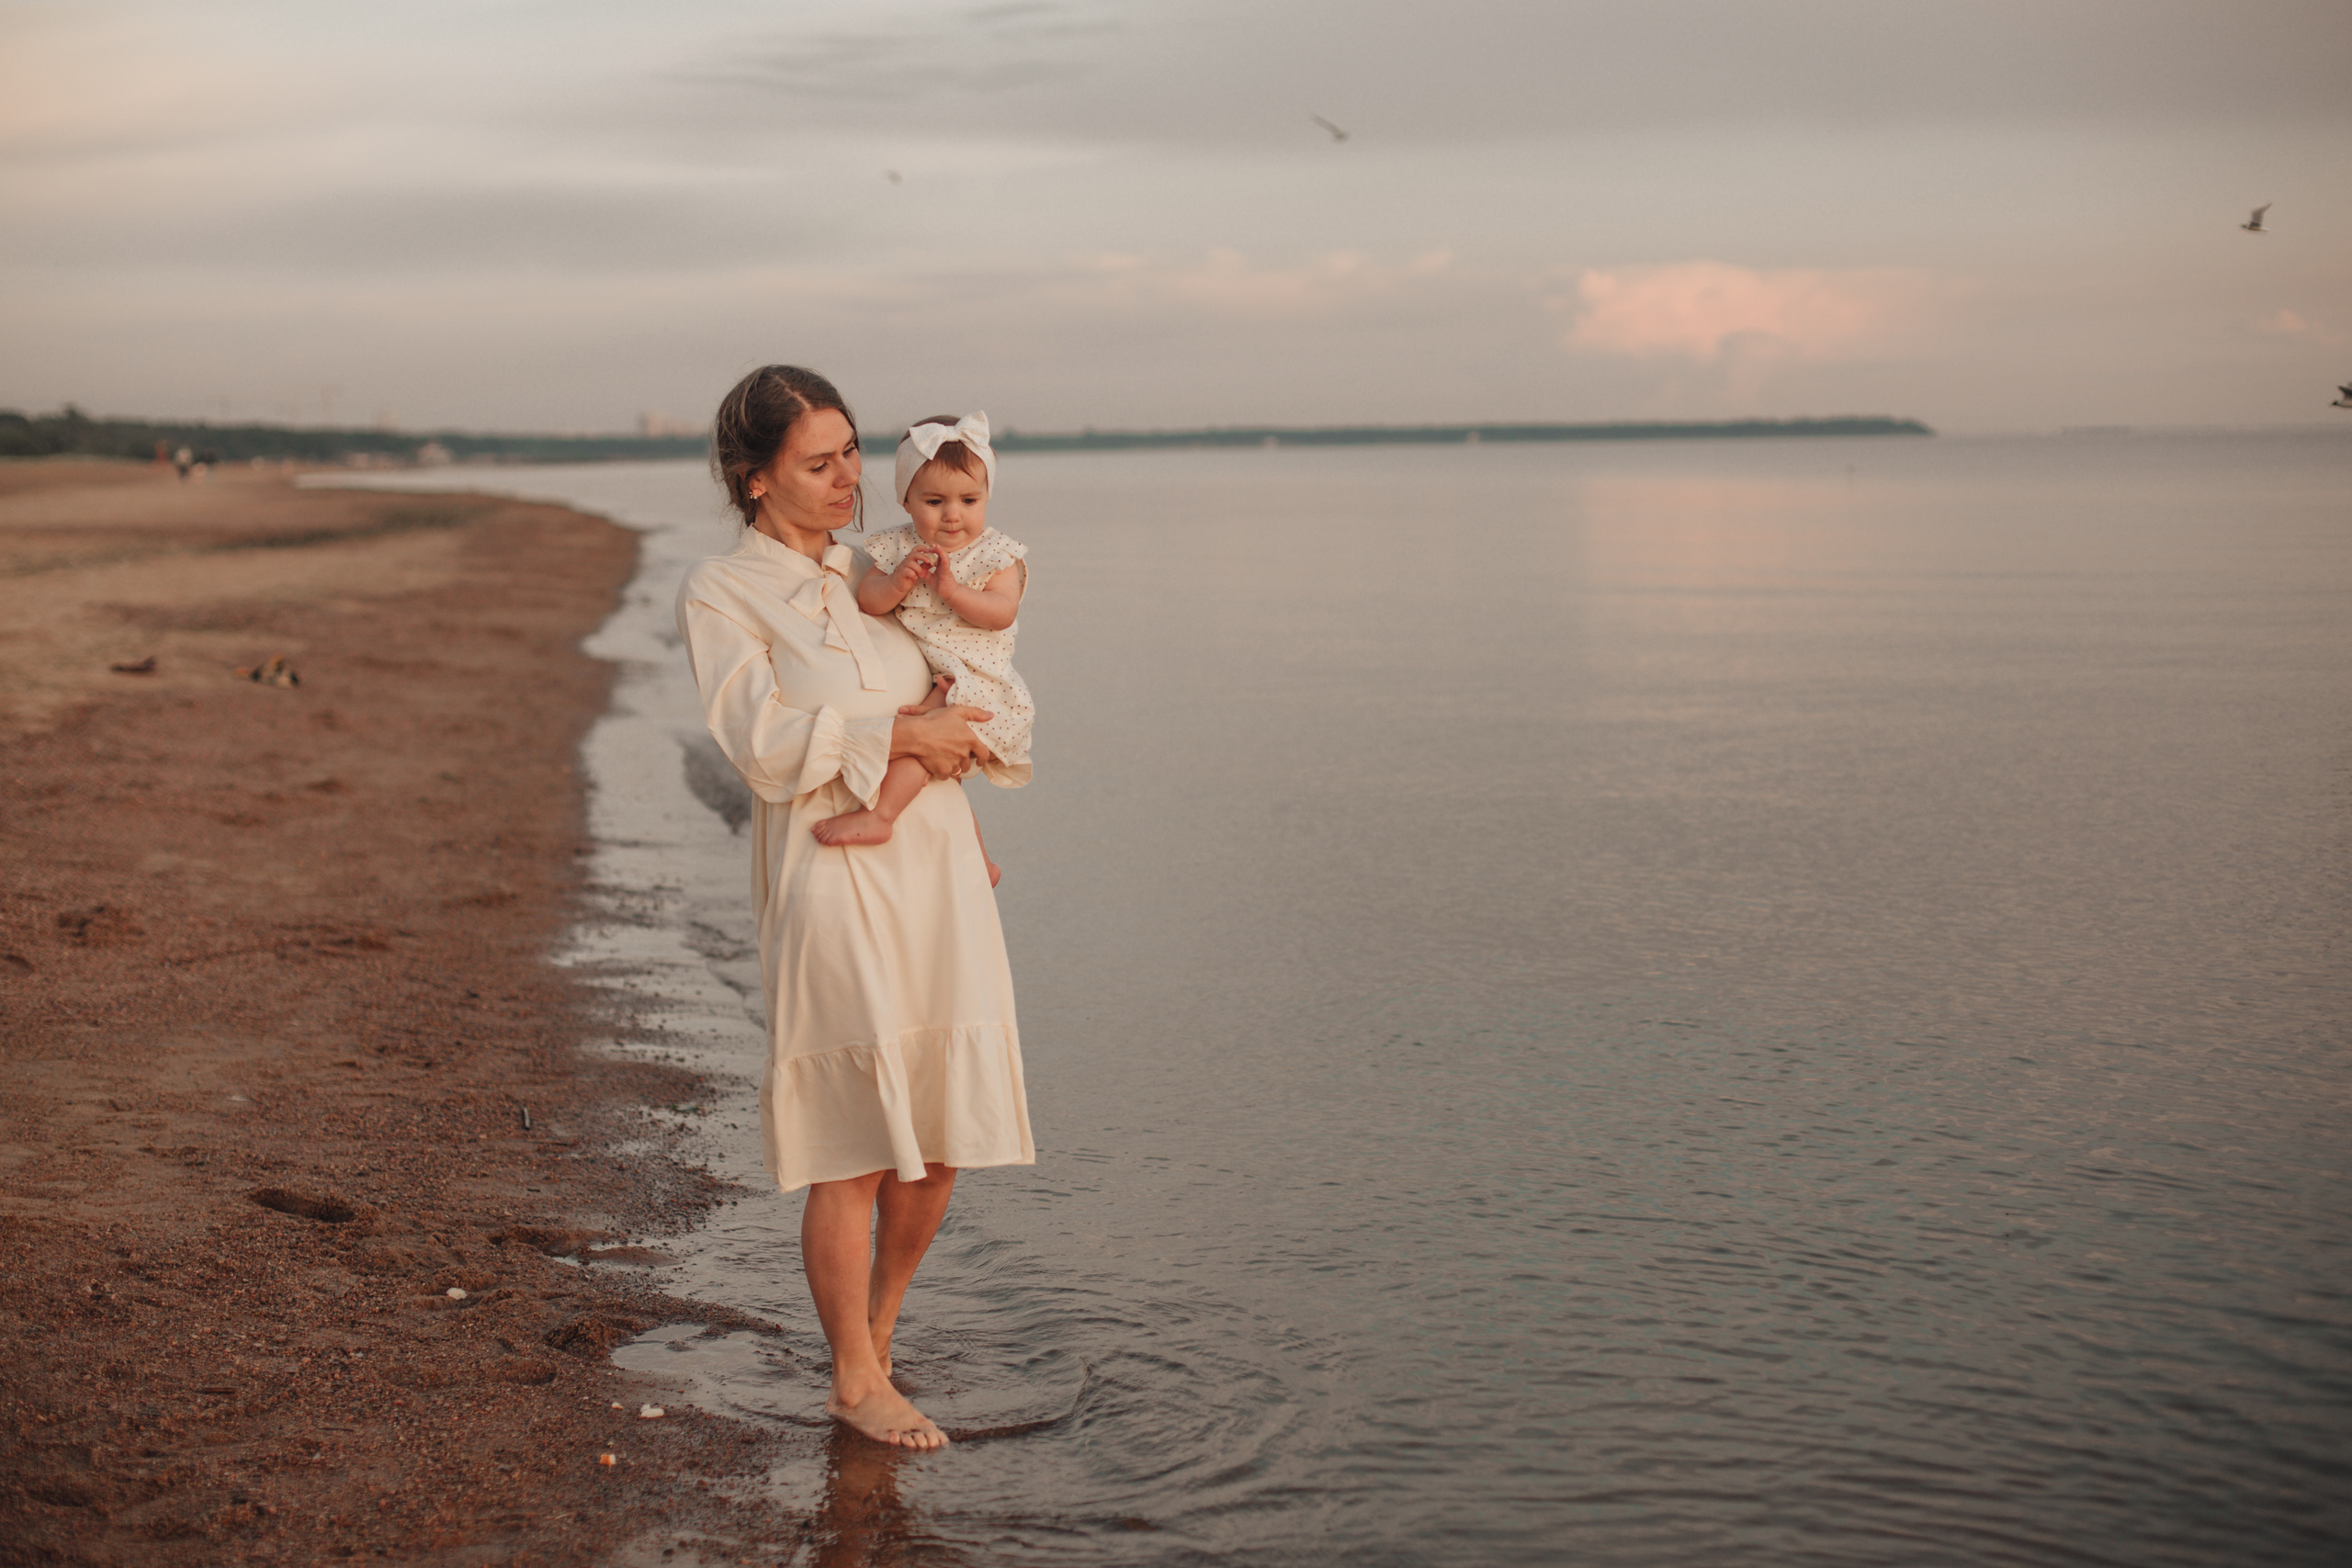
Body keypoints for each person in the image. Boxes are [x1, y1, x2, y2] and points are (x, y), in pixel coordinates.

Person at [674, 366, 1037, 1450]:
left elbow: (948, 691)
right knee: (857, 1142)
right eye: (817, 464)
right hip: (830, 873)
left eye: (848, 455)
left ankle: (877, 1338)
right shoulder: (722, 591)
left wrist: (964, 821)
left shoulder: (885, 570)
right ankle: (850, 1375)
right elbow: (759, 744)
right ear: (754, 480)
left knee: (942, 1133)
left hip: (934, 869)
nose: (847, 481)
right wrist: (897, 742)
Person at [811, 412, 1034, 887]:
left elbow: (1002, 612)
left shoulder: (997, 555)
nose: (953, 514)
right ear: (907, 500)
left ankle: (882, 816)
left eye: (969, 500)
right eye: (935, 501)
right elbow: (869, 602)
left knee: (921, 737)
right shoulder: (897, 548)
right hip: (941, 674)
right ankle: (982, 859)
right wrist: (898, 581)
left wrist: (952, 592)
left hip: (978, 683)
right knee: (941, 772)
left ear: (987, 498)